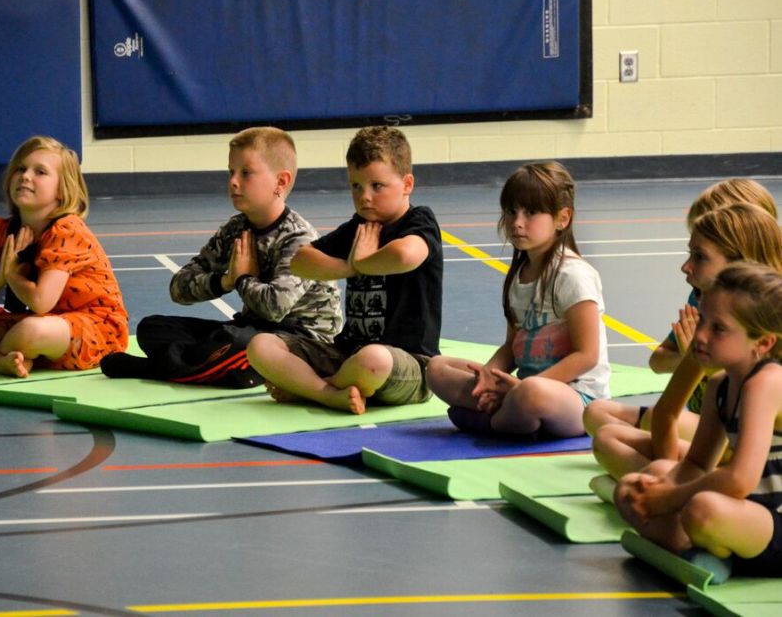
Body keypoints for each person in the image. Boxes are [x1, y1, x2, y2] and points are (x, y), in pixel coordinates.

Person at [99, 127, 341, 387]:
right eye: (231, 172)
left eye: (246, 173)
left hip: (298, 343)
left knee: (236, 342)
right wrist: (225, 281)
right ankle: (210, 365)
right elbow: (179, 287)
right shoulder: (236, 229)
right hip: (251, 328)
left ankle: (154, 369)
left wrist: (244, 277)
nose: (233, 181)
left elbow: (274, 308)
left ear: (280, 182)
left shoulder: (298, 238)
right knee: (152, 328)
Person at [246, 125, 442, 414]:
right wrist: (350, 267)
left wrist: (364, 261)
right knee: (260, 346)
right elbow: (300, 260)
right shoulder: (359, 227)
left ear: (407, 184)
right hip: (347, 355)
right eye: (356, 186)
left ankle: (316, 387)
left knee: (374, 358)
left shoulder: (419, 220)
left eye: (377, 186)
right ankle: (327, 394)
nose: (365, 197)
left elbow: (405, 255)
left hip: (408, 365)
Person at [614, 262, 782, 583]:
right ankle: (701, 554)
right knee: (634, 487)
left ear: (762, 344)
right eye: (702, 319)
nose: (700, 336)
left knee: (702, 508)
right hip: (749, 516)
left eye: (718, 329)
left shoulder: (767, 382)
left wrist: (670, 498)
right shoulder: (720, 384)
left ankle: (703, 551)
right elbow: (696, 462)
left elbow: (739, 480)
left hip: (770, 519)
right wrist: (657, 489)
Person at [589, 202, 782, 480]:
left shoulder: (766, 339)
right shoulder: (709, 327)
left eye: (700, 256)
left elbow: (744, 472)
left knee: (694, 498)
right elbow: (666, 412)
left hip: (756, 474)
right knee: (607, 438)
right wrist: (669, 475)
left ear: (739, 264)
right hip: (721, 454)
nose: (685, 266)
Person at [425, 161, 610, 438]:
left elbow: (587, 355)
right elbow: (512, 347)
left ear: (563, 218)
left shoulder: (574, 275)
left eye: (531, 212)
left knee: (531, 393)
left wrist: (520, 388)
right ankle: (508, 412)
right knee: (436, 369)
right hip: (519, 388)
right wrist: (488, 377)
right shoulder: (519, 275)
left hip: (576, 399)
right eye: (511, 211)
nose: (517, 222)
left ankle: (494, 423)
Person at [0, 136, 127, 377]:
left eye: (40, 172)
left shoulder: (67, 230)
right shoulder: (3, 231)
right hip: (31, 320)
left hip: (92, 326)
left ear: (62, 190)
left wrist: (12, 274)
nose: (26, 176)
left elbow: (41, 302)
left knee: (30, 331)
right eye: (21, 168)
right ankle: (0, 362)